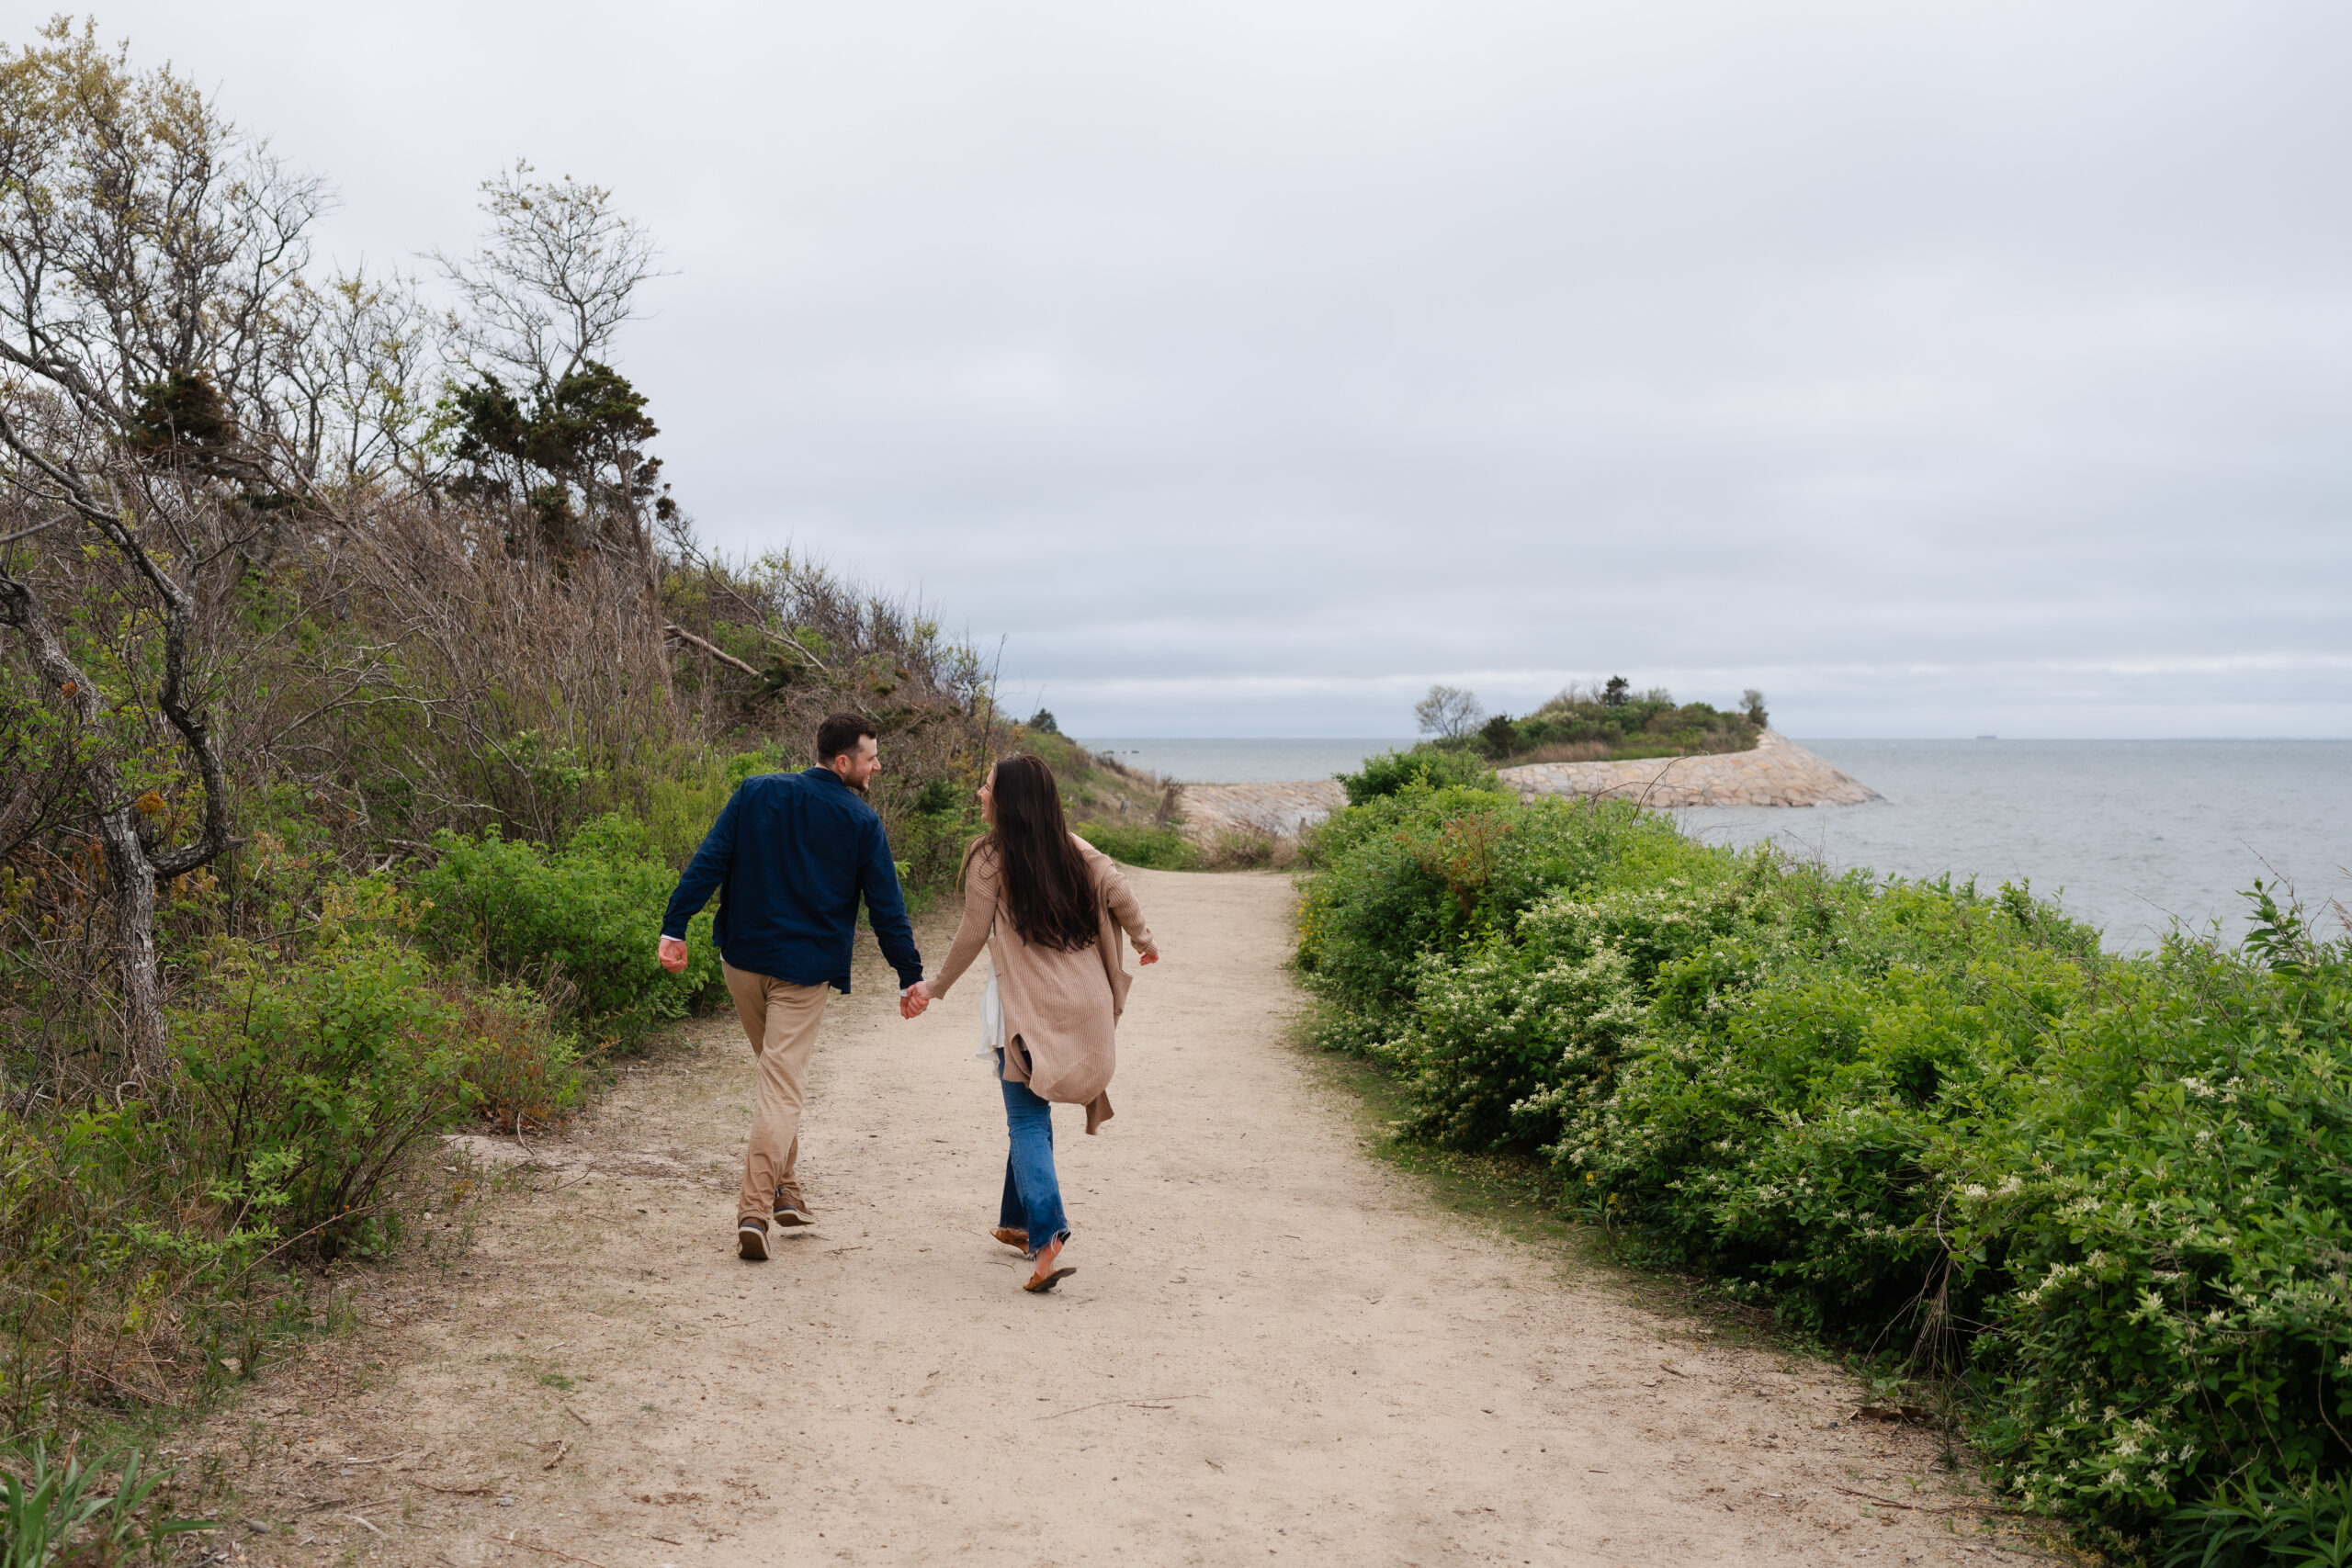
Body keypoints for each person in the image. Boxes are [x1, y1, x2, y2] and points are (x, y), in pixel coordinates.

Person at [657, 712, 931, 1261]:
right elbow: (887, 909)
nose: (878, 766)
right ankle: (755, 1210)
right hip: (801, 975)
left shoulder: (756, 793)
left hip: (743, 961)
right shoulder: (861, 821)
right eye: (872, 757)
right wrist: (909, 974)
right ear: (843, 762)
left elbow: (710, 860)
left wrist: (675, 926)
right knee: (782, 1086)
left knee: (777, 1077)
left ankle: (787, 1189)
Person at [927, 754, 1159, 1292]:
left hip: (1030, 1008)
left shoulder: (990, 859)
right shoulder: (1075, 848)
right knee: (1029, 1104)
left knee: (1026, 1117)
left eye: (986, 787)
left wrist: (935, 986)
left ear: (1008, 800)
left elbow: (970, 933)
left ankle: (1049, 1232)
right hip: (1089, 1001)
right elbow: (1121, 893)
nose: (980, 794)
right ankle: (1017, 1221)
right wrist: (1145, 942)